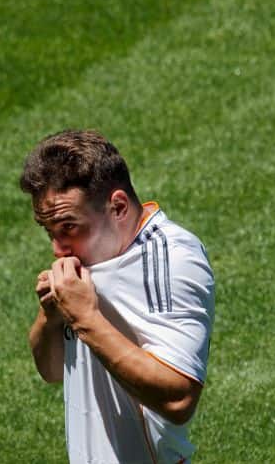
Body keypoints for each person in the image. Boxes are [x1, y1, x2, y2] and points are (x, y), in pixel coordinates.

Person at [19, 130, 215, 464]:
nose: (57, 250)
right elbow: (52, 370)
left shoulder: (172, 260)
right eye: (49, 232)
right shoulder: (93, 257)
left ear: (118, 207)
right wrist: (50, 317)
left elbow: (179, 401)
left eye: (68, 227)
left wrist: (84, 318)